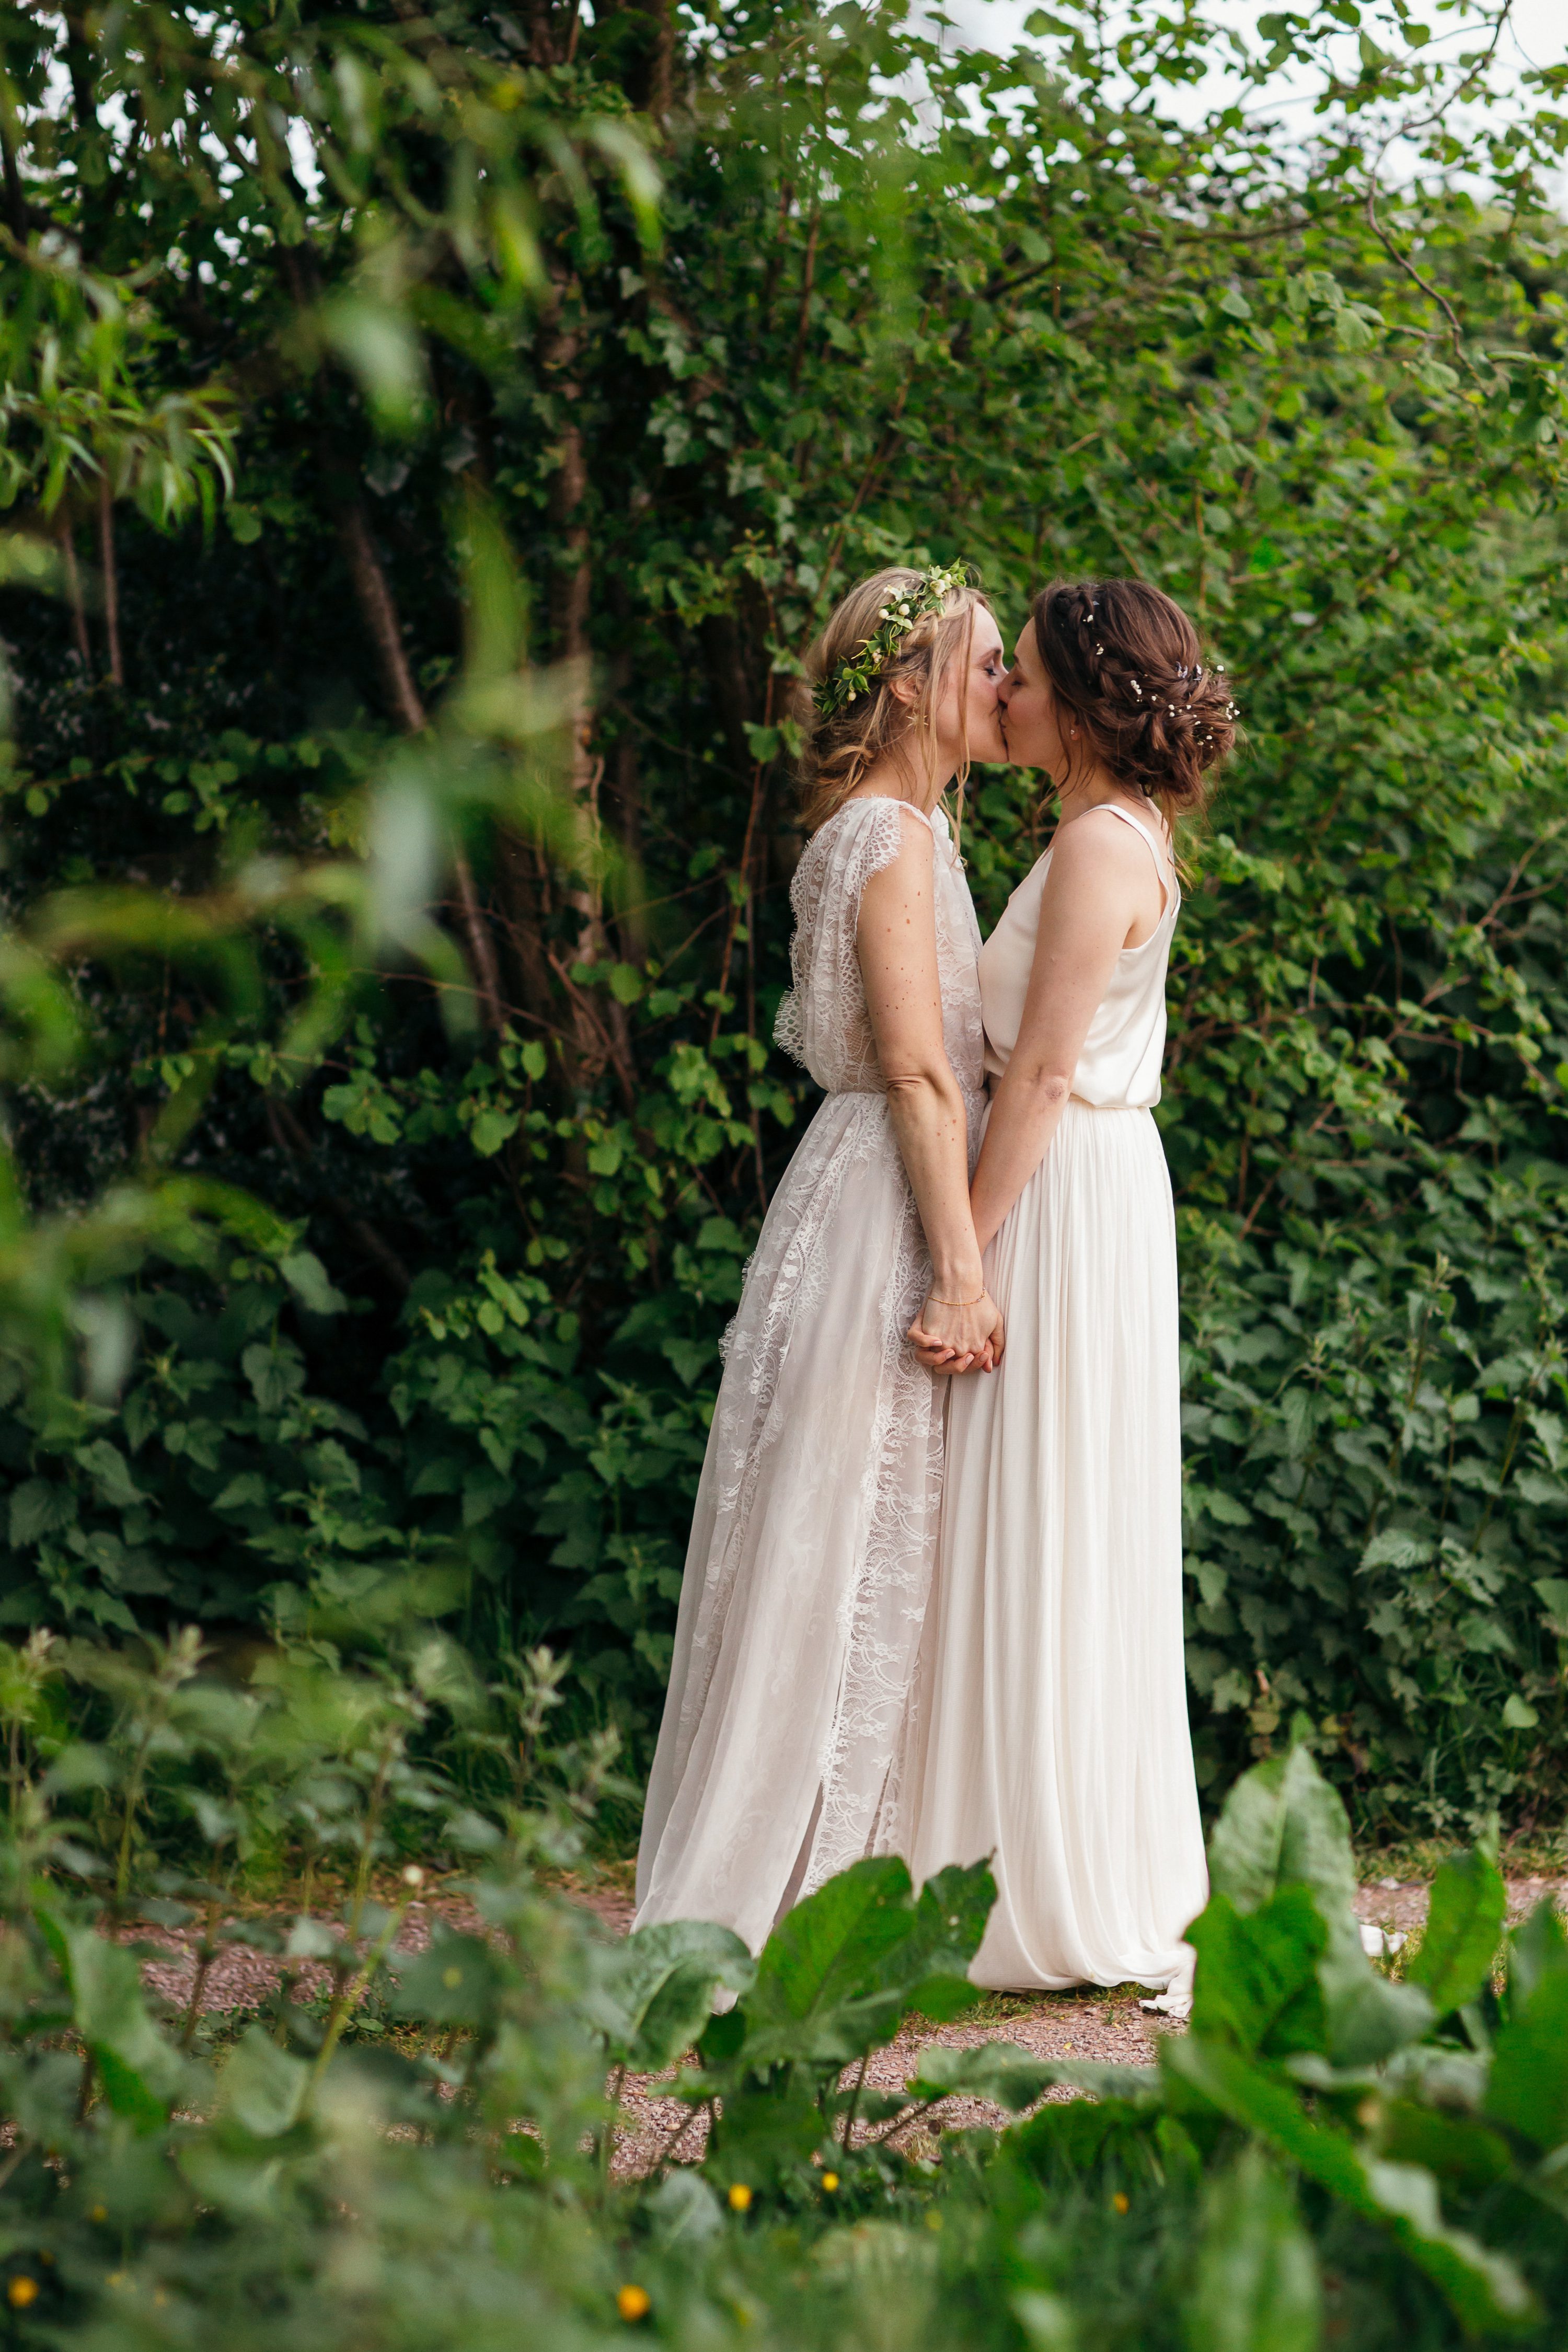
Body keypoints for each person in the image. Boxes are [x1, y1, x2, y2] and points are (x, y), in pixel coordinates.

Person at [635, 561, 1007, 1950]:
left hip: (850, 1187)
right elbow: (916, 1070)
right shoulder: (892, 838)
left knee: (847, 1524)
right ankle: (790, 1890)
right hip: (879, 1212)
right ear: (906, 682)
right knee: (835, 1529)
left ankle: (857, 1867)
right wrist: (962, 1270)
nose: (998, 689)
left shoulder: (884, 828)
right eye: (977, 664)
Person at [907, 577, 1237, 1997]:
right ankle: (987, 1842)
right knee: (1019, 1509)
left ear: (1092, 699)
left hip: (1066, 1191)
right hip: (1076, 1182)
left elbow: (1040, 1073)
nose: (1007, 696)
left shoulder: (1105, 842)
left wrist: (962, 1263)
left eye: (1026, 676)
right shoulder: (1096, 831)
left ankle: (1047, 1871)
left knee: (1046, 1507)